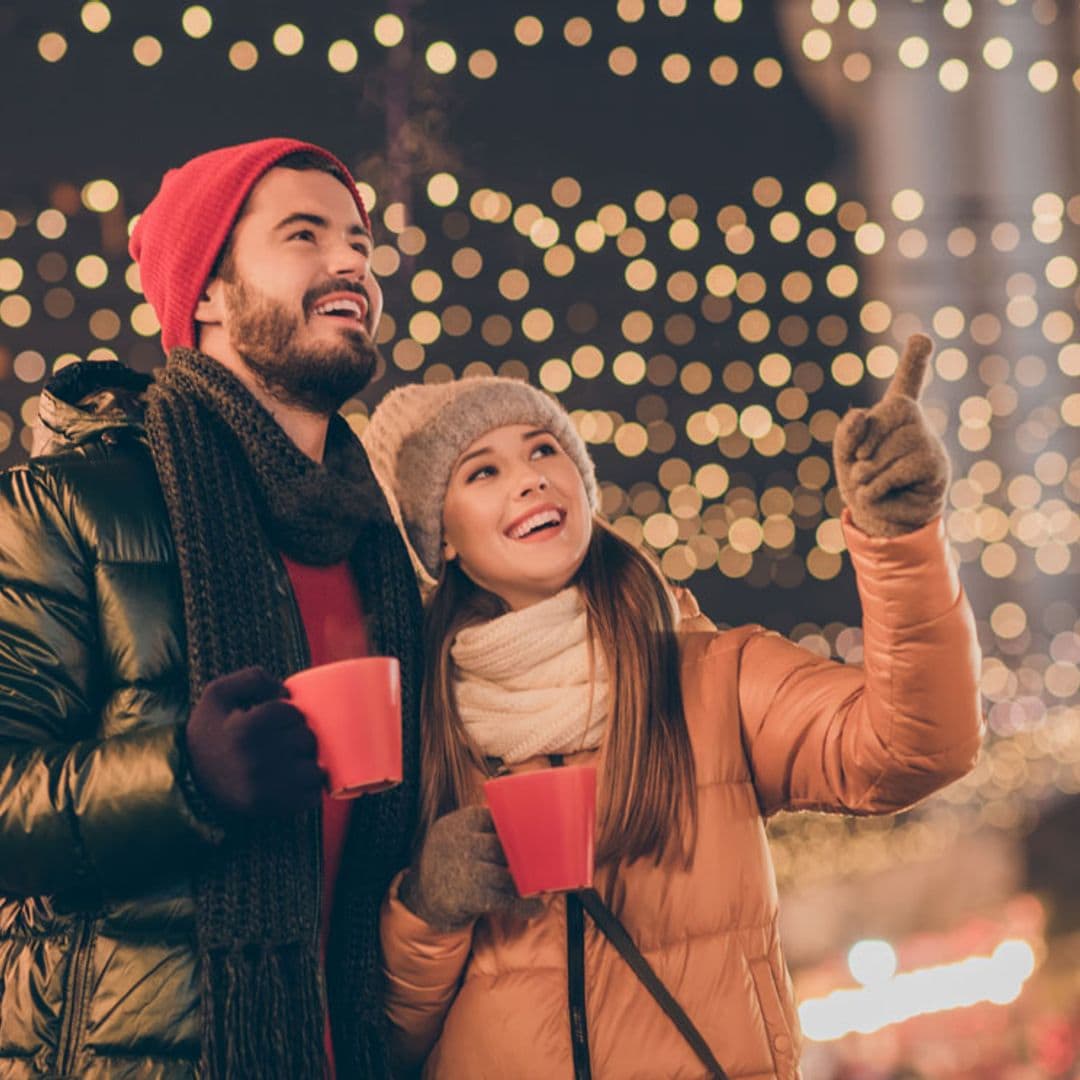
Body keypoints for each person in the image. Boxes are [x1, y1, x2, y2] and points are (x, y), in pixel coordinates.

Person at [361, 334, 984, 1079]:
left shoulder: (708, 676)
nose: (528, 480)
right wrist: (428, 908)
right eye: (483, 471)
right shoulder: (422, 727)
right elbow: (392, 1039)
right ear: (441, 539)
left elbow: (916, 746)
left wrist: (901, 541)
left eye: (543, 451)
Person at [0, 138, 423, 1078]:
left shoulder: (378, 542)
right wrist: (182, 778)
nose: (351, 260)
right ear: (207, 294)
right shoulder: (71, 506)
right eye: (303, 235)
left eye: (357, 240)